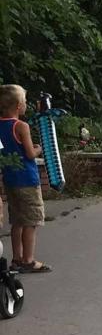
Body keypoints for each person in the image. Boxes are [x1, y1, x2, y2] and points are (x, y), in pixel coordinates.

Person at [0, 85, 51, 273]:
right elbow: (30, 154)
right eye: (24, 102)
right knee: (31, 221)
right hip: (27, 180)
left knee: (17, 221)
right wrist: (39, 148)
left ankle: (16, 259)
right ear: (18, 105)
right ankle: (29, 260)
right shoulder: (21, 126)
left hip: (10, 180)